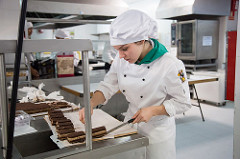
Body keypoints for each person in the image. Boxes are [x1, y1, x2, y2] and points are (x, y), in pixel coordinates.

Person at [79, 10, 192, 159]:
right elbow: (107, 86)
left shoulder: (170, 64)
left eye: (124, 48)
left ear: (141, 40)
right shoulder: (121, 60)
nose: (120, 55)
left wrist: (153, 110)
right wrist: (92, 103)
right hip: (130, 125)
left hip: (158, 131)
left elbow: (184, 103)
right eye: (117, 49)